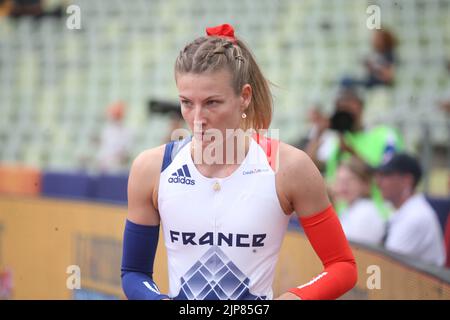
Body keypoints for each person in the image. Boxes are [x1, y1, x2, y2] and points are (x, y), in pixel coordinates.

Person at [121, 23, 357, 300]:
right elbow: (134, 272)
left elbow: (342, 265)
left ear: (244, 97)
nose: (197, 119)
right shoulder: (151, 168)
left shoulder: (289, 167)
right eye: (186, 103)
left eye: (212, 103)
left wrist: (296, 298)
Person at [376, 153, 446, 267]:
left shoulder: (415, 216)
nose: (378, 182)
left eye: (386, 175)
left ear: (407, 180)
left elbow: (386, 267)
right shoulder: (404, 210)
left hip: (423, 284)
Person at [333, 157, 385, 246]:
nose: (344, 185)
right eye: (340, 180)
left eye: (351, 179)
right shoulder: (348, 209)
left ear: (365, 184)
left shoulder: (366, 212)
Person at [95, 101, 132, 173]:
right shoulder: (107, 130)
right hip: (104, 168)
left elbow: (126, 152)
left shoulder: (127, 131)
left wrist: (116, 160)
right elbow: (104, 149)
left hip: (118, 169)